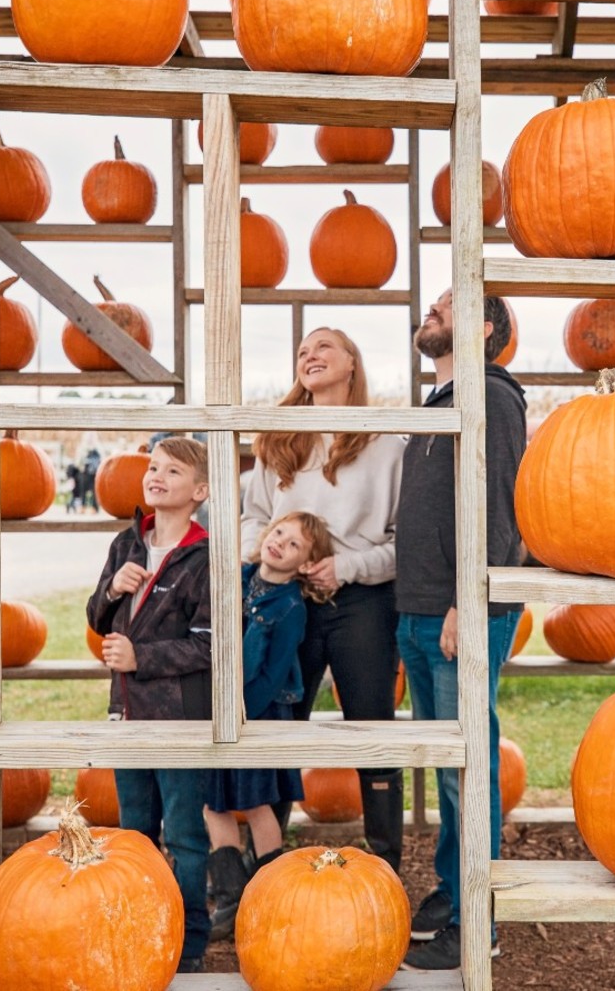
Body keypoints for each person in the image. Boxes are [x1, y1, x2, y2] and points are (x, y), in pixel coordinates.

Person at [240, 327, 406, 873]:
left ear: (352, 364)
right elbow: (253, 519)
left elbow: (402, 542)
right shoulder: (279, 439)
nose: (309, 356)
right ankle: (264, 864)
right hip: (287, 603)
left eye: (323, 347)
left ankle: (385, 862)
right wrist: (270, 564)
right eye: (302, 351)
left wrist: (348, 566)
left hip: (361, 603)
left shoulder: (386, 445)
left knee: (371, 729)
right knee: (280, 725)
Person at [396, 290, 527, 972]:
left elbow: (500, 506)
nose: (434, 311)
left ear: (483, 327)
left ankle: (481, 917)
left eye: (448, 305)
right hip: (419, 609)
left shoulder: (494, 398)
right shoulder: (436, 404)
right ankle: (454, 889)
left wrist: (465, 601)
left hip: (461, 610)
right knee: (449, 765)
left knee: (467, 767)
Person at [85, 436, 213, 974]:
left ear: (199, 491)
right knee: (134, 833)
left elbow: (207, 645)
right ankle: (142, 930)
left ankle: (188, 943)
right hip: (127, 715)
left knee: (184, 834)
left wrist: (142, 657)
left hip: (180, 717)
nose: (156, 476)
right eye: (153, 467)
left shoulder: (205, 556)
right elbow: (96, 617)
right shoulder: (126, 544)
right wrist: (114, 590)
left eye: (173, 471)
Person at [205, 510, 335, 941]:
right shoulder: (238, 578)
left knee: (259, 804)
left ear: (303, 565)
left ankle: (273, 893)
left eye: (294, 544)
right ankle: (230, 896)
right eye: (279, 532)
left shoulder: (290, 608)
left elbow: (275, 674)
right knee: (215, 804)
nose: (280, 542)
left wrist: (242, 715)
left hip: (260, 711)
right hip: (222, 710)